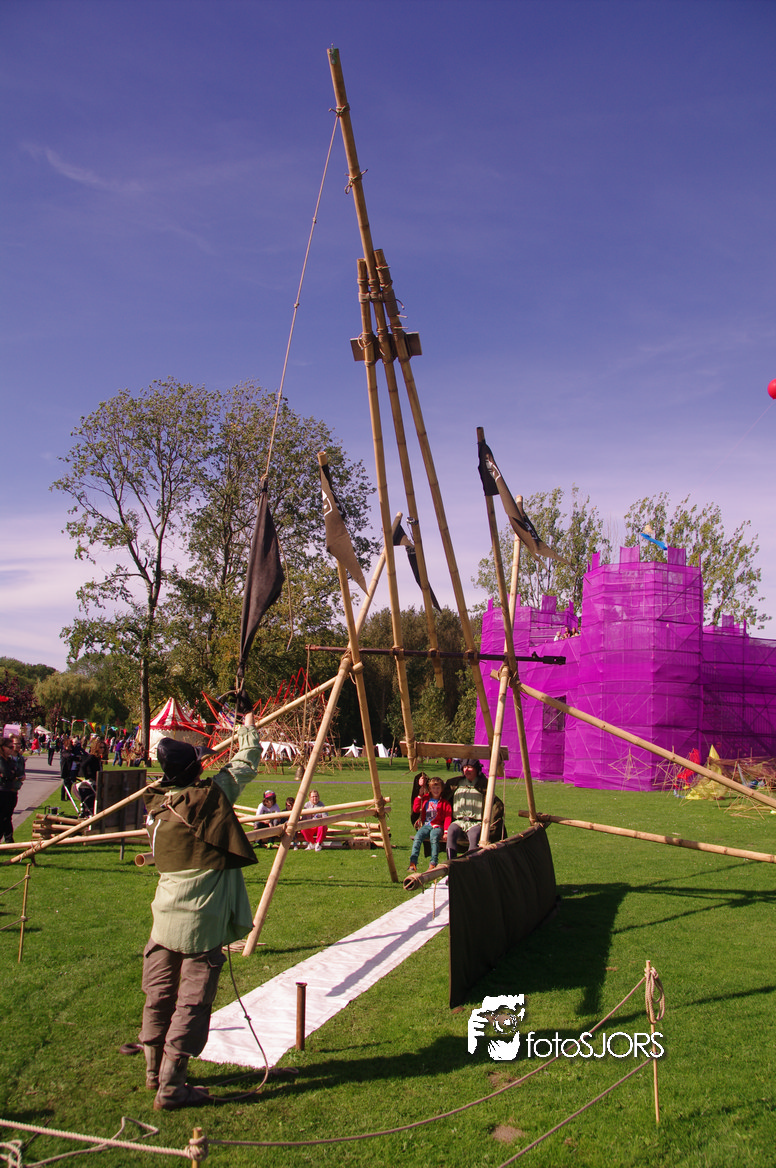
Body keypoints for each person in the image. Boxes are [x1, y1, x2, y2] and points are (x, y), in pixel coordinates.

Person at [138, 711, 261, 1111]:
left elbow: (178, 783)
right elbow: (246, 762)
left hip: (163, 917)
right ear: (194, 772)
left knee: (159, 995)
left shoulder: (156, 808)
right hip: (200, 921)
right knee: (192, 1001)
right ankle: (172, 1086)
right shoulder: (208, 800)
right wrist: (246, 726)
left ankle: (153, 1071)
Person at [445, 759, 505, 864]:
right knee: (451, 831)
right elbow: (436, 791)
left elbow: (495, 804)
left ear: (476, 769)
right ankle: (451, 864)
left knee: (474, 836)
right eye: (464, 767)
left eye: (469, 767)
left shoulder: (484, 784)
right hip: (459, 821)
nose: (466, 770)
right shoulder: (455, 783)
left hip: (476, 823)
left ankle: (470, 864)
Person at [408, 775, 452, 872]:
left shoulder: (445, 803)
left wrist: (446, 831)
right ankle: (413, 861)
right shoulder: (425, 799)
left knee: (434, 838)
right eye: (433, 788)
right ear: (430, 789)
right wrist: (419, 795)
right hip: (426, 825)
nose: (436, 790)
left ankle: (433, 862)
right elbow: (415, 809)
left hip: (437, 827)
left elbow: (448, 817)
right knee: (418, 837)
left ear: (441, 789)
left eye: (438, 788)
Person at [0, 737, 24, 843]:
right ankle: (9, 840)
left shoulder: (9, 760)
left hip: (11, 791)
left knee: (7, 816)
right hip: (2, 791)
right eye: (10, 747)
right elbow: (7, 774)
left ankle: (9, 840)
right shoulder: (1, 760)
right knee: (3, 817)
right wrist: (13, 775)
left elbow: (17, 772)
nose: (12, 749)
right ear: (2, 748)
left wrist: (13, 775)